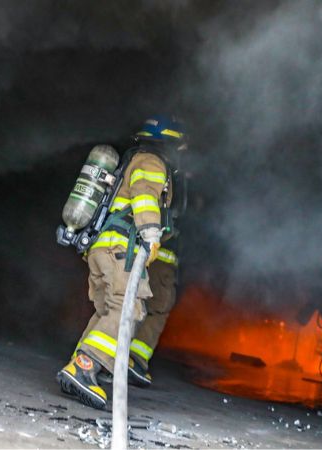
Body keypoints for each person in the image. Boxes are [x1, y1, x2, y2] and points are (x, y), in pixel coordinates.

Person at [57, 115, 186, 410]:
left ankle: (80, 364)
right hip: (122, 248)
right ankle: (85, 366)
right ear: (169, 141)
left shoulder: (133, 159)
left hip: (103, 248)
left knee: (107, 310)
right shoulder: (153, 162)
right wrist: (150, 233)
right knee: (127, 310)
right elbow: (144, 198)